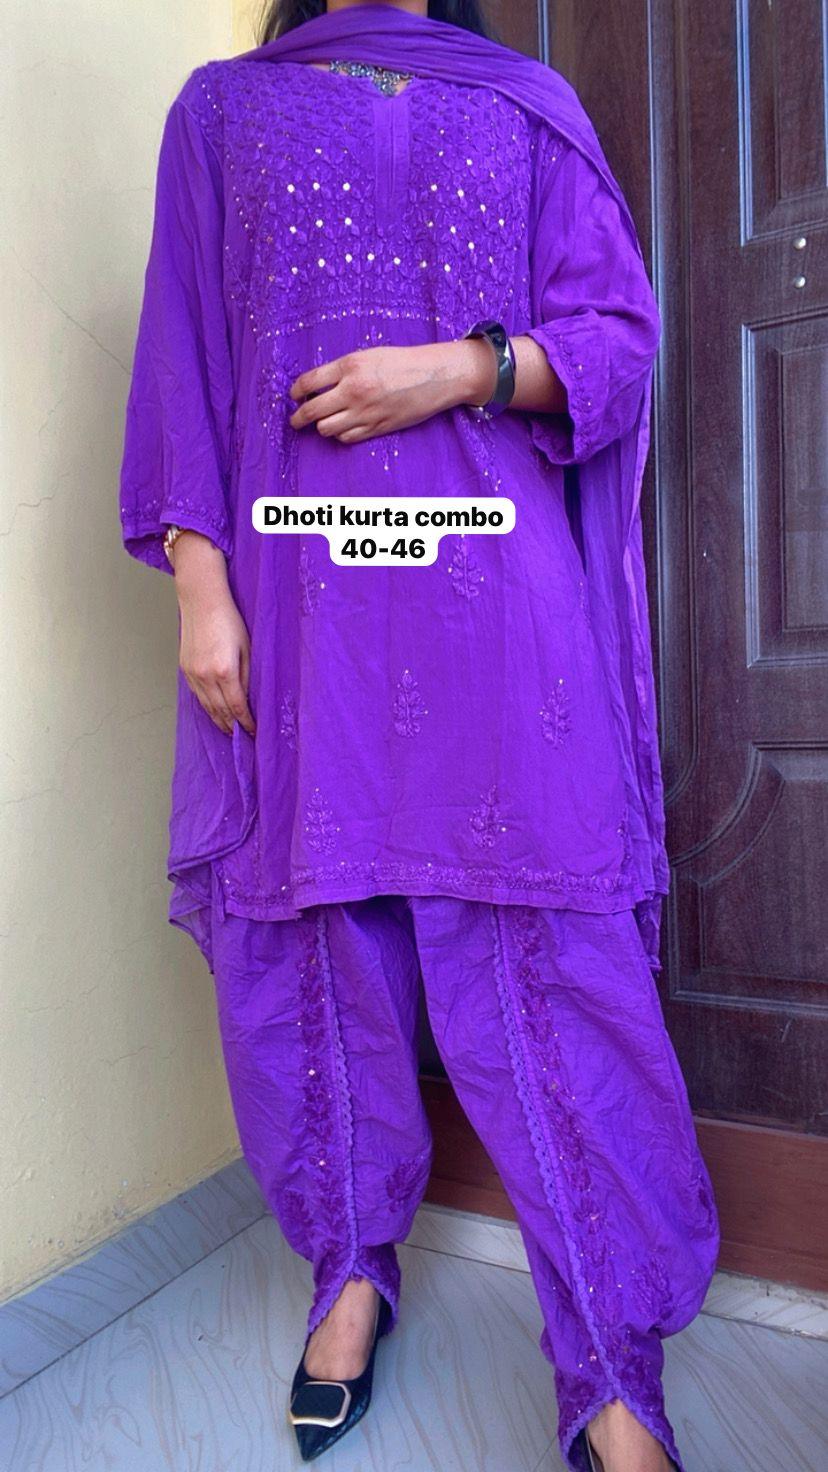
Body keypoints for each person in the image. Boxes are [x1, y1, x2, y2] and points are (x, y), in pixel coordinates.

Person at [118, 3, 720, 1468]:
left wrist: (457, 368)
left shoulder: (523, 105)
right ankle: (350, 1270)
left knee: (548, 956)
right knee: (313, 942)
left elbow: (615, 343)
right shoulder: (221, 110)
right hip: (298, 598)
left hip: (492, 595)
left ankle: (612, 1365)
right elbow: (182, 354)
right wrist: (200, 587)